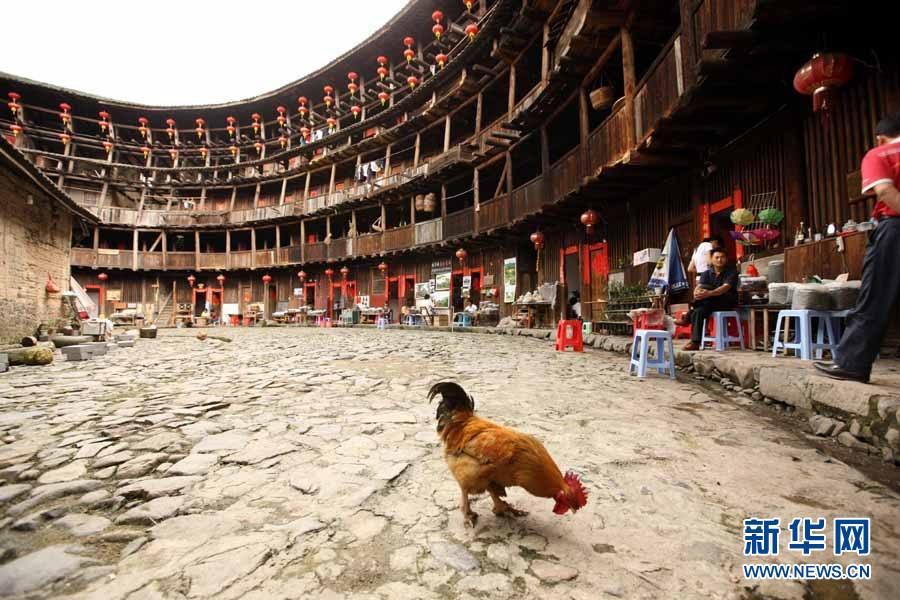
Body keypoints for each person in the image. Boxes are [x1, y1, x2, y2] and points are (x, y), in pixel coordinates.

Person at [815, 113, 900, 383]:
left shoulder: (879, 153)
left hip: (894, 228)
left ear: (880, 137)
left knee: (874, 296)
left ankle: (852, 363)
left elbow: (885, 191)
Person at [682, 248, 738, 351]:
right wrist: (696, 292)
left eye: (722, 257)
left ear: (726, 259)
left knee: (707, 289)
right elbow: (699, 288)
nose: (719, 260)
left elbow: (724, 288)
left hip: (725, 302)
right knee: (698, 311)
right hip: (708, 303)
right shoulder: (706, 273)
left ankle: (688, 316)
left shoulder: (731, 272)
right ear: (711, 259)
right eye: (717, 257)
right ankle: (695, 342)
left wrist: (709, 293)